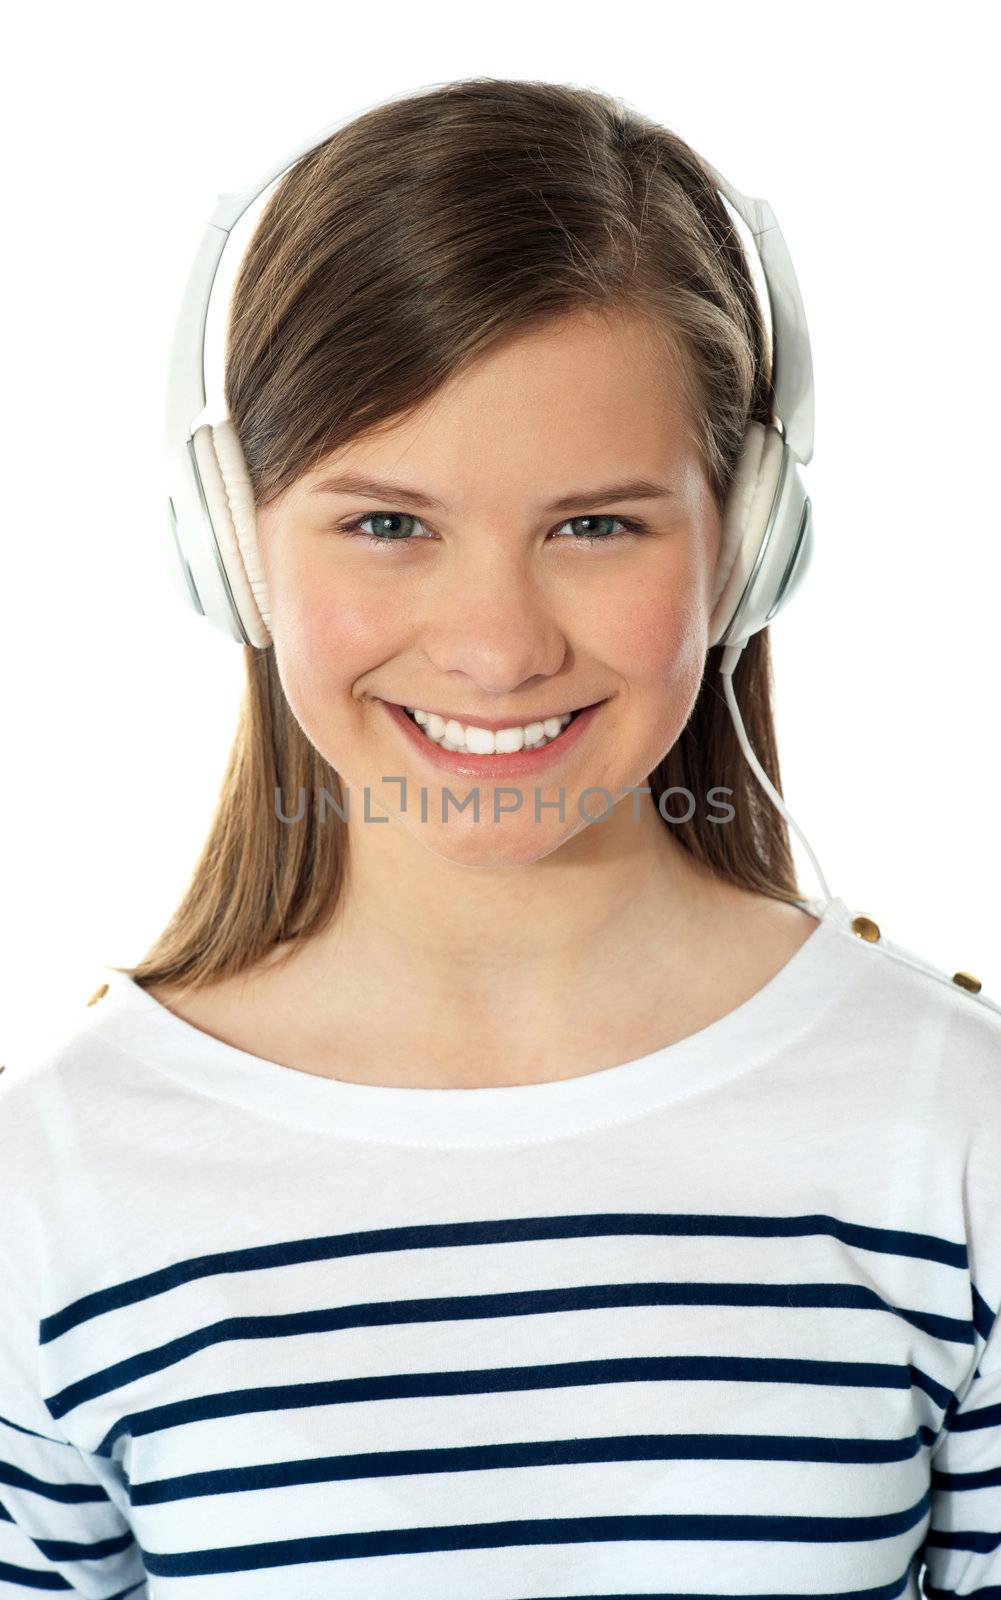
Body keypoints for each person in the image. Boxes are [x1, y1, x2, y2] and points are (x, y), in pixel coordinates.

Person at [1, 77, 998, 1600]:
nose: (493, 648)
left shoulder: (959, 1141)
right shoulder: (46, 1195)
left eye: (596, 526)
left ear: (750, 538)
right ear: (227, 541)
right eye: (387, 525)